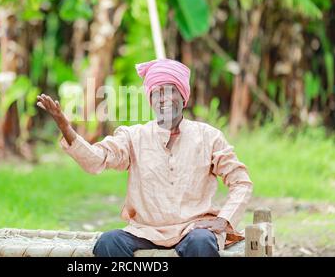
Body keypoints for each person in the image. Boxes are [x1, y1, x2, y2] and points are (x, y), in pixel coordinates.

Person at [37, 58, 253, 257]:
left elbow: (241, 182)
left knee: (201, 242)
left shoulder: (208, 136)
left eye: (171, 91)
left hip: (193, 229)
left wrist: (224, 220)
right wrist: (67, 129)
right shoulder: (133, 136)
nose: (164, 98)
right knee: (109, 242)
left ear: (183, 97)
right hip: (145, 230)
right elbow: (96, 160)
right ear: (150, 100)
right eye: (157, 92)